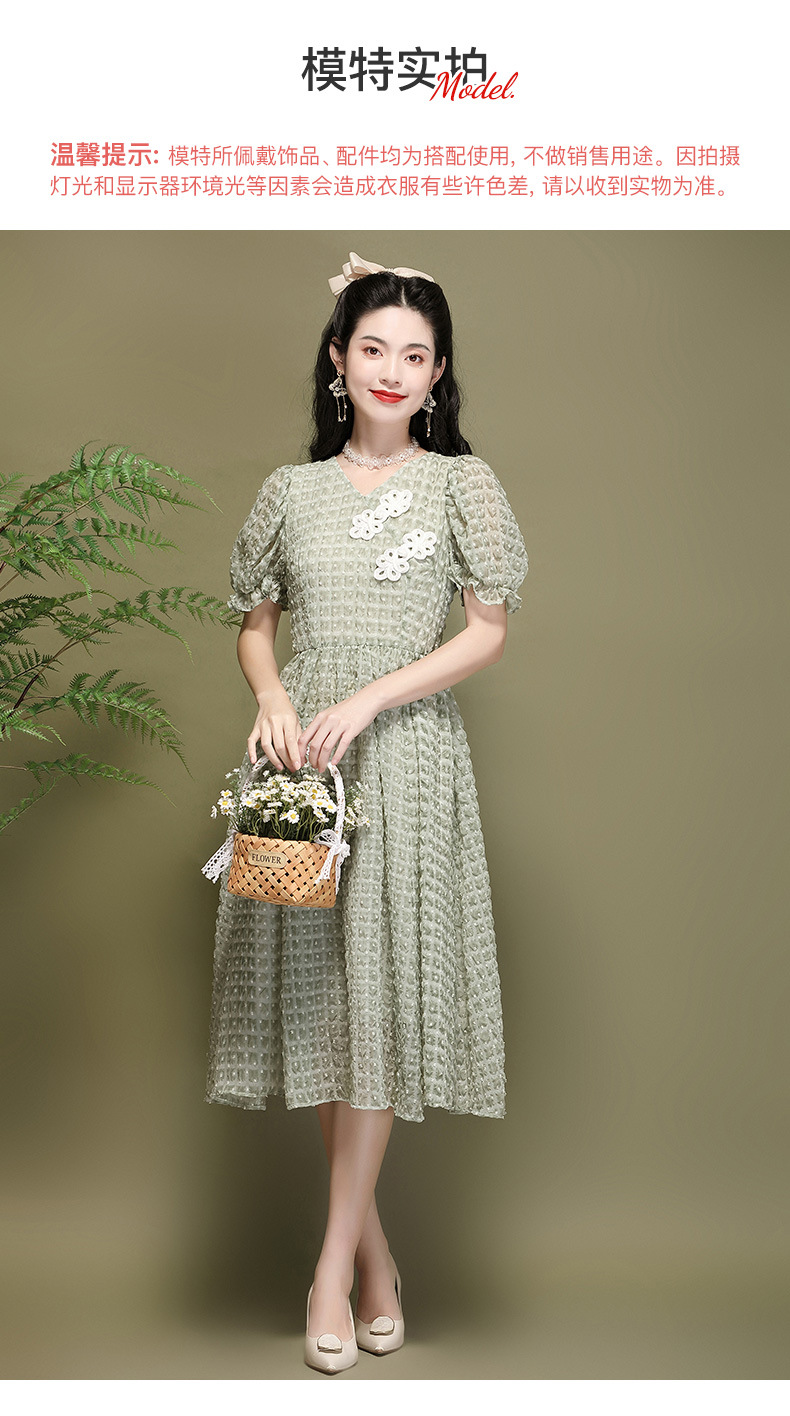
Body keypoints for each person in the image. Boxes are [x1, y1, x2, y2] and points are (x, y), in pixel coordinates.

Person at [205, 250, 529, 1373]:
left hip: (408, 759)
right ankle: (375, 1260)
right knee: (325, 1002)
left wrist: (371, 697)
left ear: (438, 376)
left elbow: (485, 631)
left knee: (379, 1000)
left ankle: (328, 1268)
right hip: (305, 764)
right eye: (374, 347)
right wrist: (276, 699)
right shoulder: (287, 493)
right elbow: (255, 625)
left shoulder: (462, 485)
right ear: (338, 360)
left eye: (416, 354)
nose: (393, 368)